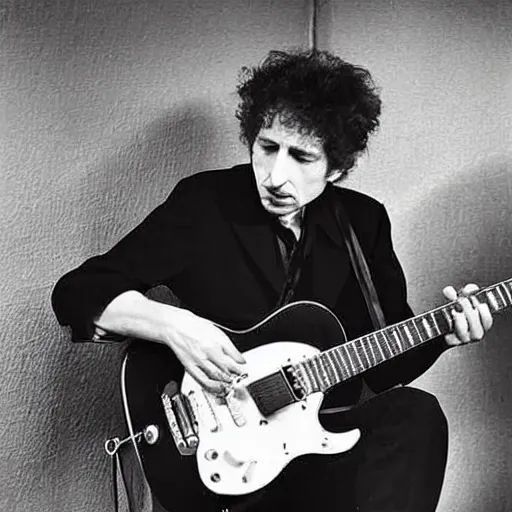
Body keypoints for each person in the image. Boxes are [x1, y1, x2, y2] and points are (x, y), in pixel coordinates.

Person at [51, 49, 493, 512]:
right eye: (267, 147)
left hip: (313, 445)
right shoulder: (206, 203)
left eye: (301, 157)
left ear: (337, 167)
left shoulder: (363, 222)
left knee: (416, 413)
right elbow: (77, 292)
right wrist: (174, 326)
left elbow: (384, 367)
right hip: (223, 458)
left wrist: (445, 334)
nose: (276, 176)